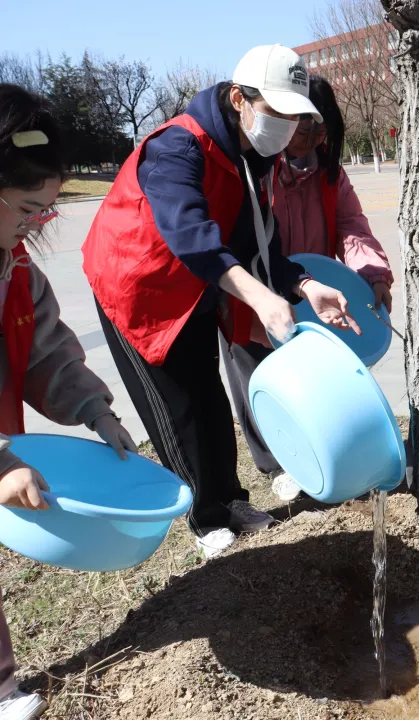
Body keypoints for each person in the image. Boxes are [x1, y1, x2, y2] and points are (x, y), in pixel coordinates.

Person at [83, 45, 358, 559]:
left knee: (210, 397)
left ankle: (230, 499)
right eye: (277, 112)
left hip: (196, 286)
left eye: (295, 116)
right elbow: (193, 238)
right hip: (138, 289)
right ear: (239, 99)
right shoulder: (177, 146)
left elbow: (259, 241)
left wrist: (303, 286)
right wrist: (261, 298)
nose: (286, 127)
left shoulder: (252, 156)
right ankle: (203, 516)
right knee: (178, 406)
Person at [0, 84, 137, 720]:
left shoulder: (16, 270)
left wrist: (95, 409)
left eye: (46, 212)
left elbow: (49, 353)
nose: (35, 225)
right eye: (28, 208)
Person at [221, 75, 395, 502]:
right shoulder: (256, 167)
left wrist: (372, 273)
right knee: (258, 375)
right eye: (303, 129)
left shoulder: (329, 173)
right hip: (254, 294)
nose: (312, 140)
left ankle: (323, 455)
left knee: (313, 383)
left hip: (312, 294)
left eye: (320, 131)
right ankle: (276, 464)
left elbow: (352, 227)